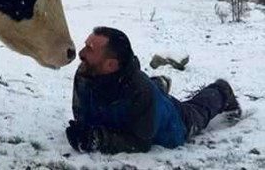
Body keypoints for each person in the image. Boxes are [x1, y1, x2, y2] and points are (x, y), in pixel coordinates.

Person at [66, 26, 241, 154]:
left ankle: (221, 90)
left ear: (111, 64)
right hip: (144, 103)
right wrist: (84, 131)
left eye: (90, 49)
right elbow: (82, 116)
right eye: (85, 45)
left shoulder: (140, 91)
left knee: (198, 110)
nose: (80, 53)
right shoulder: (85, 73)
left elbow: (140, 143)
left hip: (174, 123)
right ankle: (160, 84)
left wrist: (99, 139)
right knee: (148, 94)